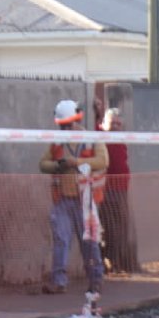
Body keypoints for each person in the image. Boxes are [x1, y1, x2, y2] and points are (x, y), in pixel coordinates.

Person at [39, 99, 108, 294]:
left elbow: (103, 160)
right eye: (62, 125)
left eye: (66, 124)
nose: (64, 128)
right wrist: (57, 166)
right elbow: (43, 163)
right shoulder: (57, 141)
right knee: (61, 239)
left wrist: (76, 161)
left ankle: (95, 279)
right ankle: (58, 281)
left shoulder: (91, 138)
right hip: (63, 199)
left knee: (90, 241)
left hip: (85, 198)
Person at [95, 101, 139, 274]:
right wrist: (97, 110)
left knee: (120, 229)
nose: (115, 127)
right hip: (104, 189)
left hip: (120, 189)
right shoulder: (98, 134)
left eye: (118, 124)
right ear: (103, 124)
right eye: (112, 123)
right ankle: (104, 262)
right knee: (106, 228)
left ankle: (115, 262)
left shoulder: (121, 137)